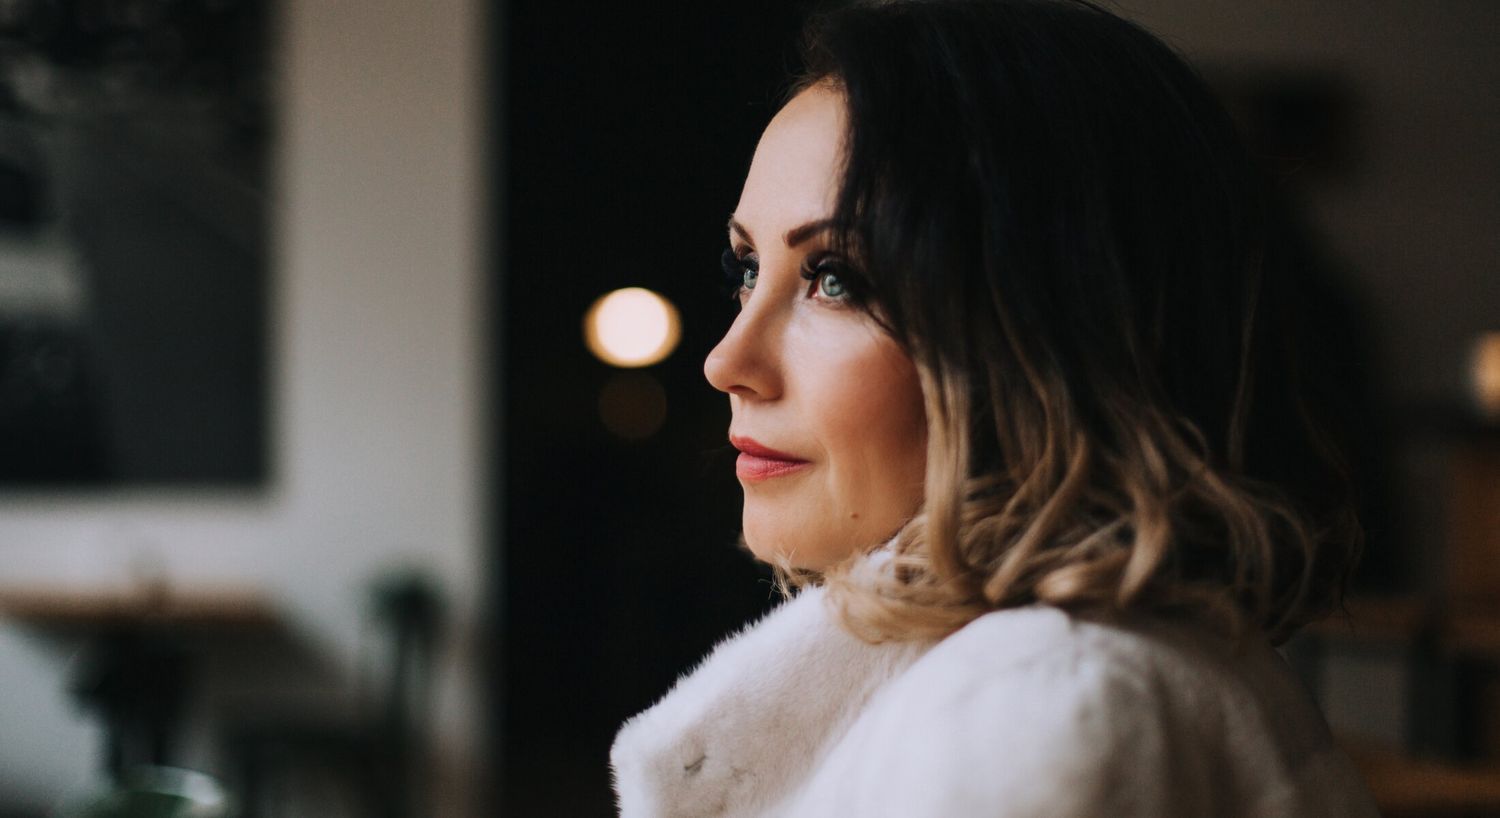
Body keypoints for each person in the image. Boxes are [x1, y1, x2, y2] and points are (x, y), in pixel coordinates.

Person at [610, 1, 1381, 815]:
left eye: (836, 277)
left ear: (1056, 330)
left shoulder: (1038, 712)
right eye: (744, 269)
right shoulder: (1078, 676)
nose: (727, 360)